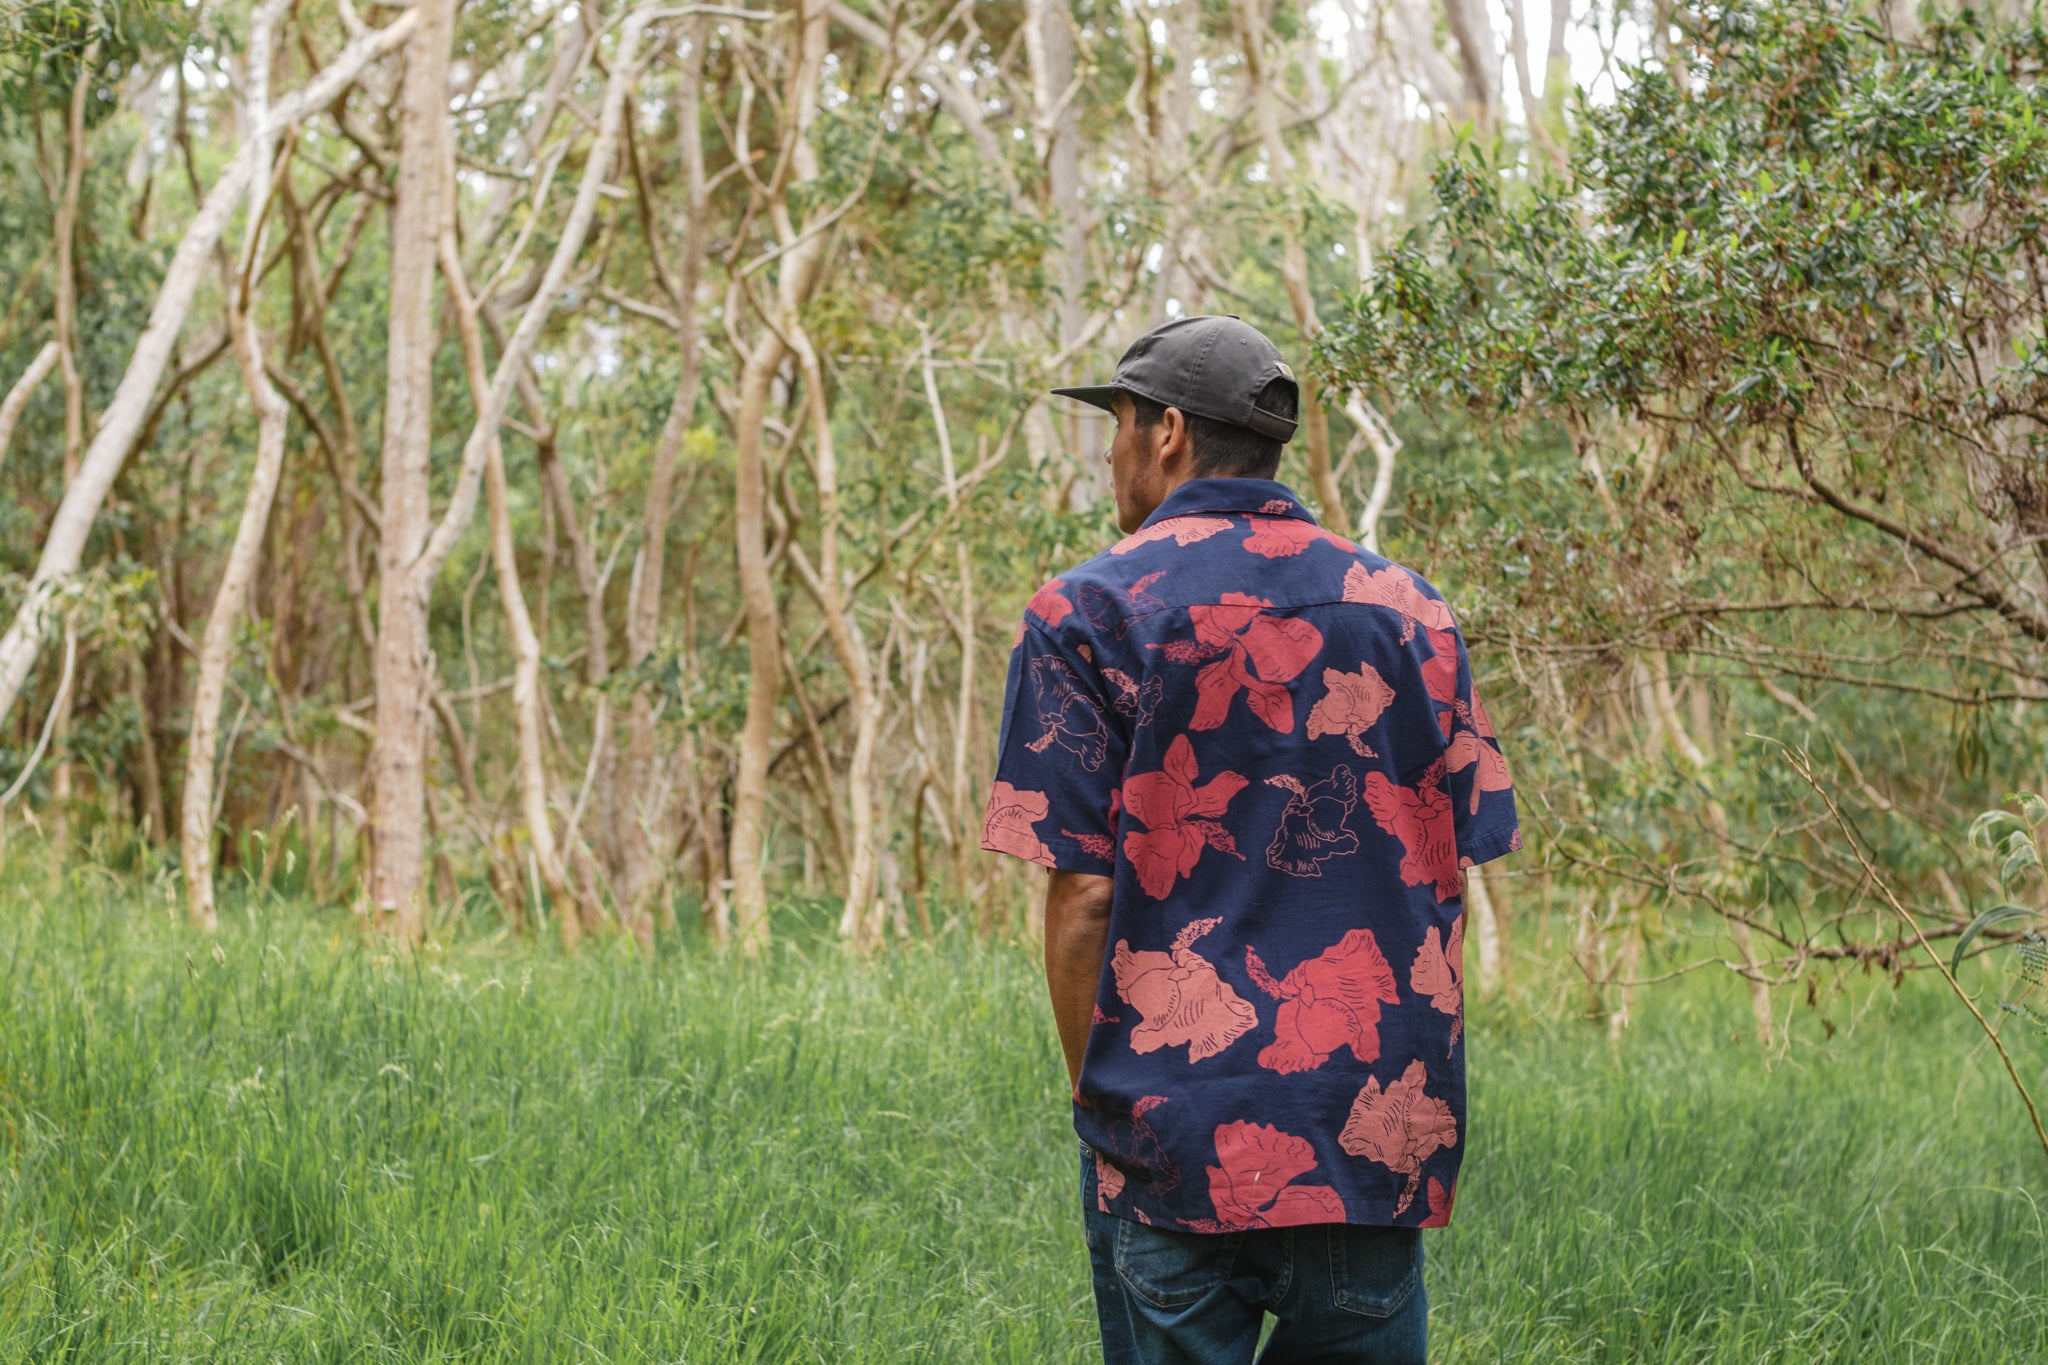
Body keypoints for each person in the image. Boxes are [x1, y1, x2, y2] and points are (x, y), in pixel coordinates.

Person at [980, 316, 1519, 1364]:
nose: (1110, 453)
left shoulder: (1089, 611)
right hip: (1369, 1133)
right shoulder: (1410, 612)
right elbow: (1455, 858)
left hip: (1172, 1130)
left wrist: (1103, 1112)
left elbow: (1085, 899)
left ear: (1169, 432)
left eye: (1120, 426)